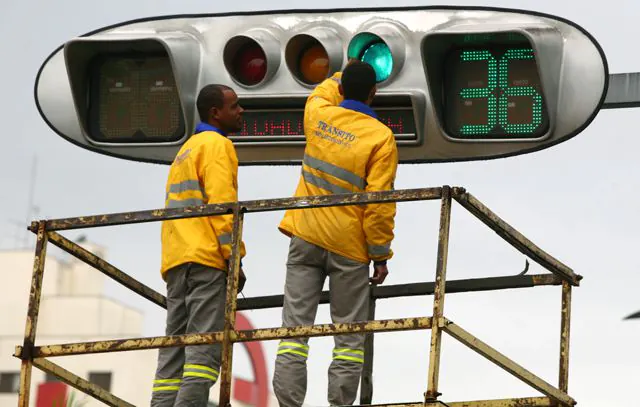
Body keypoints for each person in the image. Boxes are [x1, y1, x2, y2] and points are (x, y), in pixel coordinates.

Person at [273, 60, 399, 406]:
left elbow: (321, 92)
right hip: (350, 247)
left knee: (294, 331)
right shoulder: (381, 138)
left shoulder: (318, 116)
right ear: (373, 94)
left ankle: (288, 402)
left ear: (342, 90)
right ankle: (340, 403)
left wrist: (340, 74)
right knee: (348, 336)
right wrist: (380, 255)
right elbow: (379, 206)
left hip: (306, 236)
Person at [151, 84, 247, 407]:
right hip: (206, 260)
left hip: (177, 260)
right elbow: (222, 208)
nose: (240, 111)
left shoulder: (185, 151)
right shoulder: (217, 146)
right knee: (202, 353)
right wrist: (235, 259)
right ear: (214, 113)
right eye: (234, 106)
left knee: (173, 354)